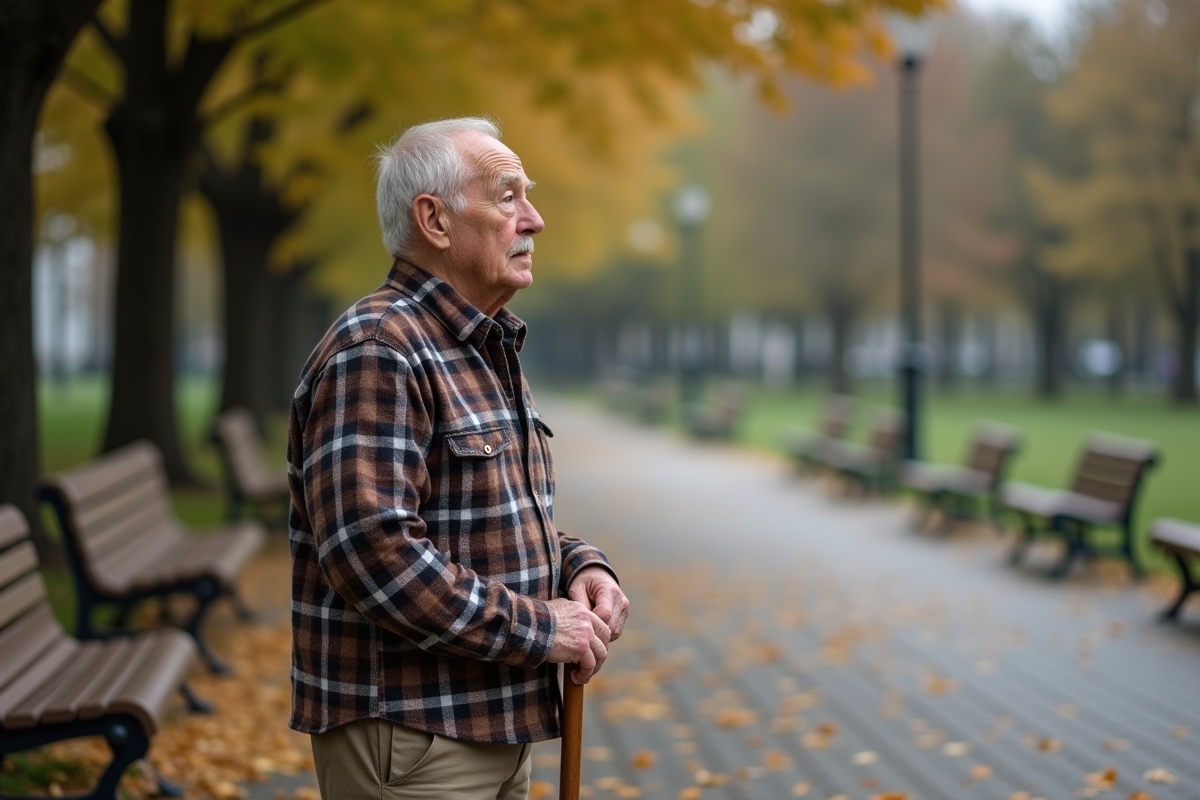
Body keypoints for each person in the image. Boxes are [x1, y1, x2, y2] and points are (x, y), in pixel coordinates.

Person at [287, 116, 630, 800]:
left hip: (493, 725)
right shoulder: (380, 347)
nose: (533, 219)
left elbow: (485, 516)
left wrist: (578, 566)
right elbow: (372, 553)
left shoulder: (478, 346)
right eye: (507, 197)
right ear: (435, 221)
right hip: (414, 739)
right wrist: (541, 627)